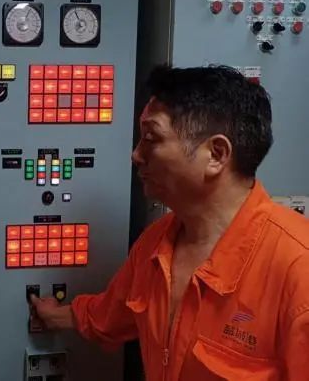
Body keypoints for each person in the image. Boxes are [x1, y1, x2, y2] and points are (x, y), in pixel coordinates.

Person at [30, 65, 309, 380]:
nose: (136, 155)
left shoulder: (297, 269)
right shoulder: (156, 244)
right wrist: (55, 316)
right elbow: (111, 315)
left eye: (151, 138)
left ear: (216, 154)